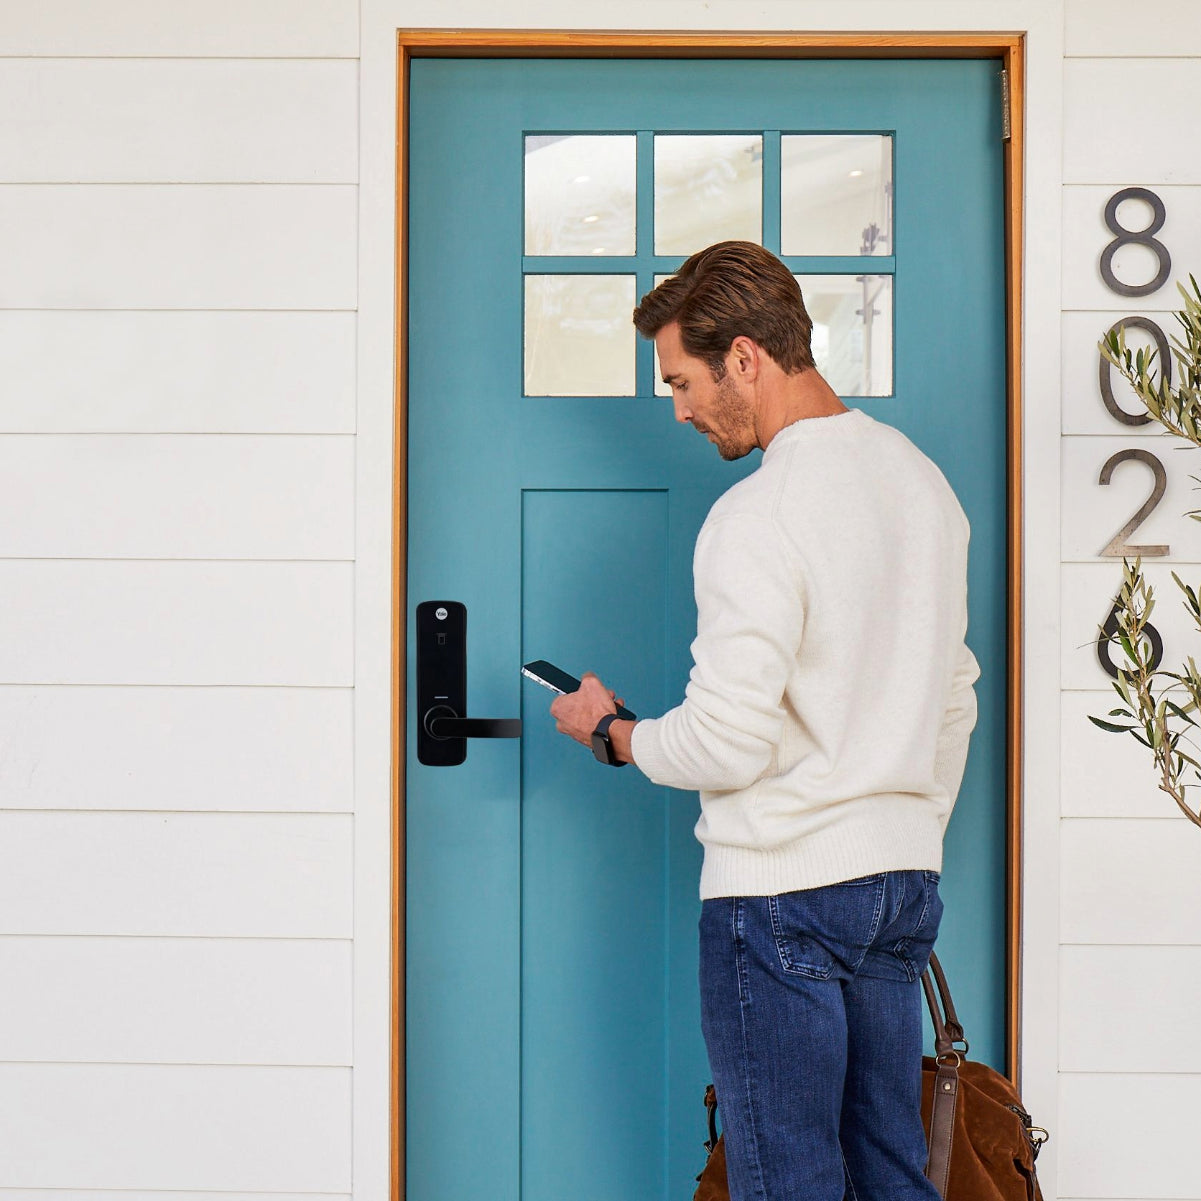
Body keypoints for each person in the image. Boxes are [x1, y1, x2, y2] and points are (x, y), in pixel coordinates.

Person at [548, 240, 980, 1201]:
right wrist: (903, 820)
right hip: (899, 884)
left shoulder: (759, 513)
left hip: (780, 894)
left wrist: (612, 733)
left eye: (684, 381)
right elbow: (954, 692)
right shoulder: (921, 485)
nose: (681, 409)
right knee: (890, 1173)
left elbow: (725, 742)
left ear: (745, 356)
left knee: (790, 1183)